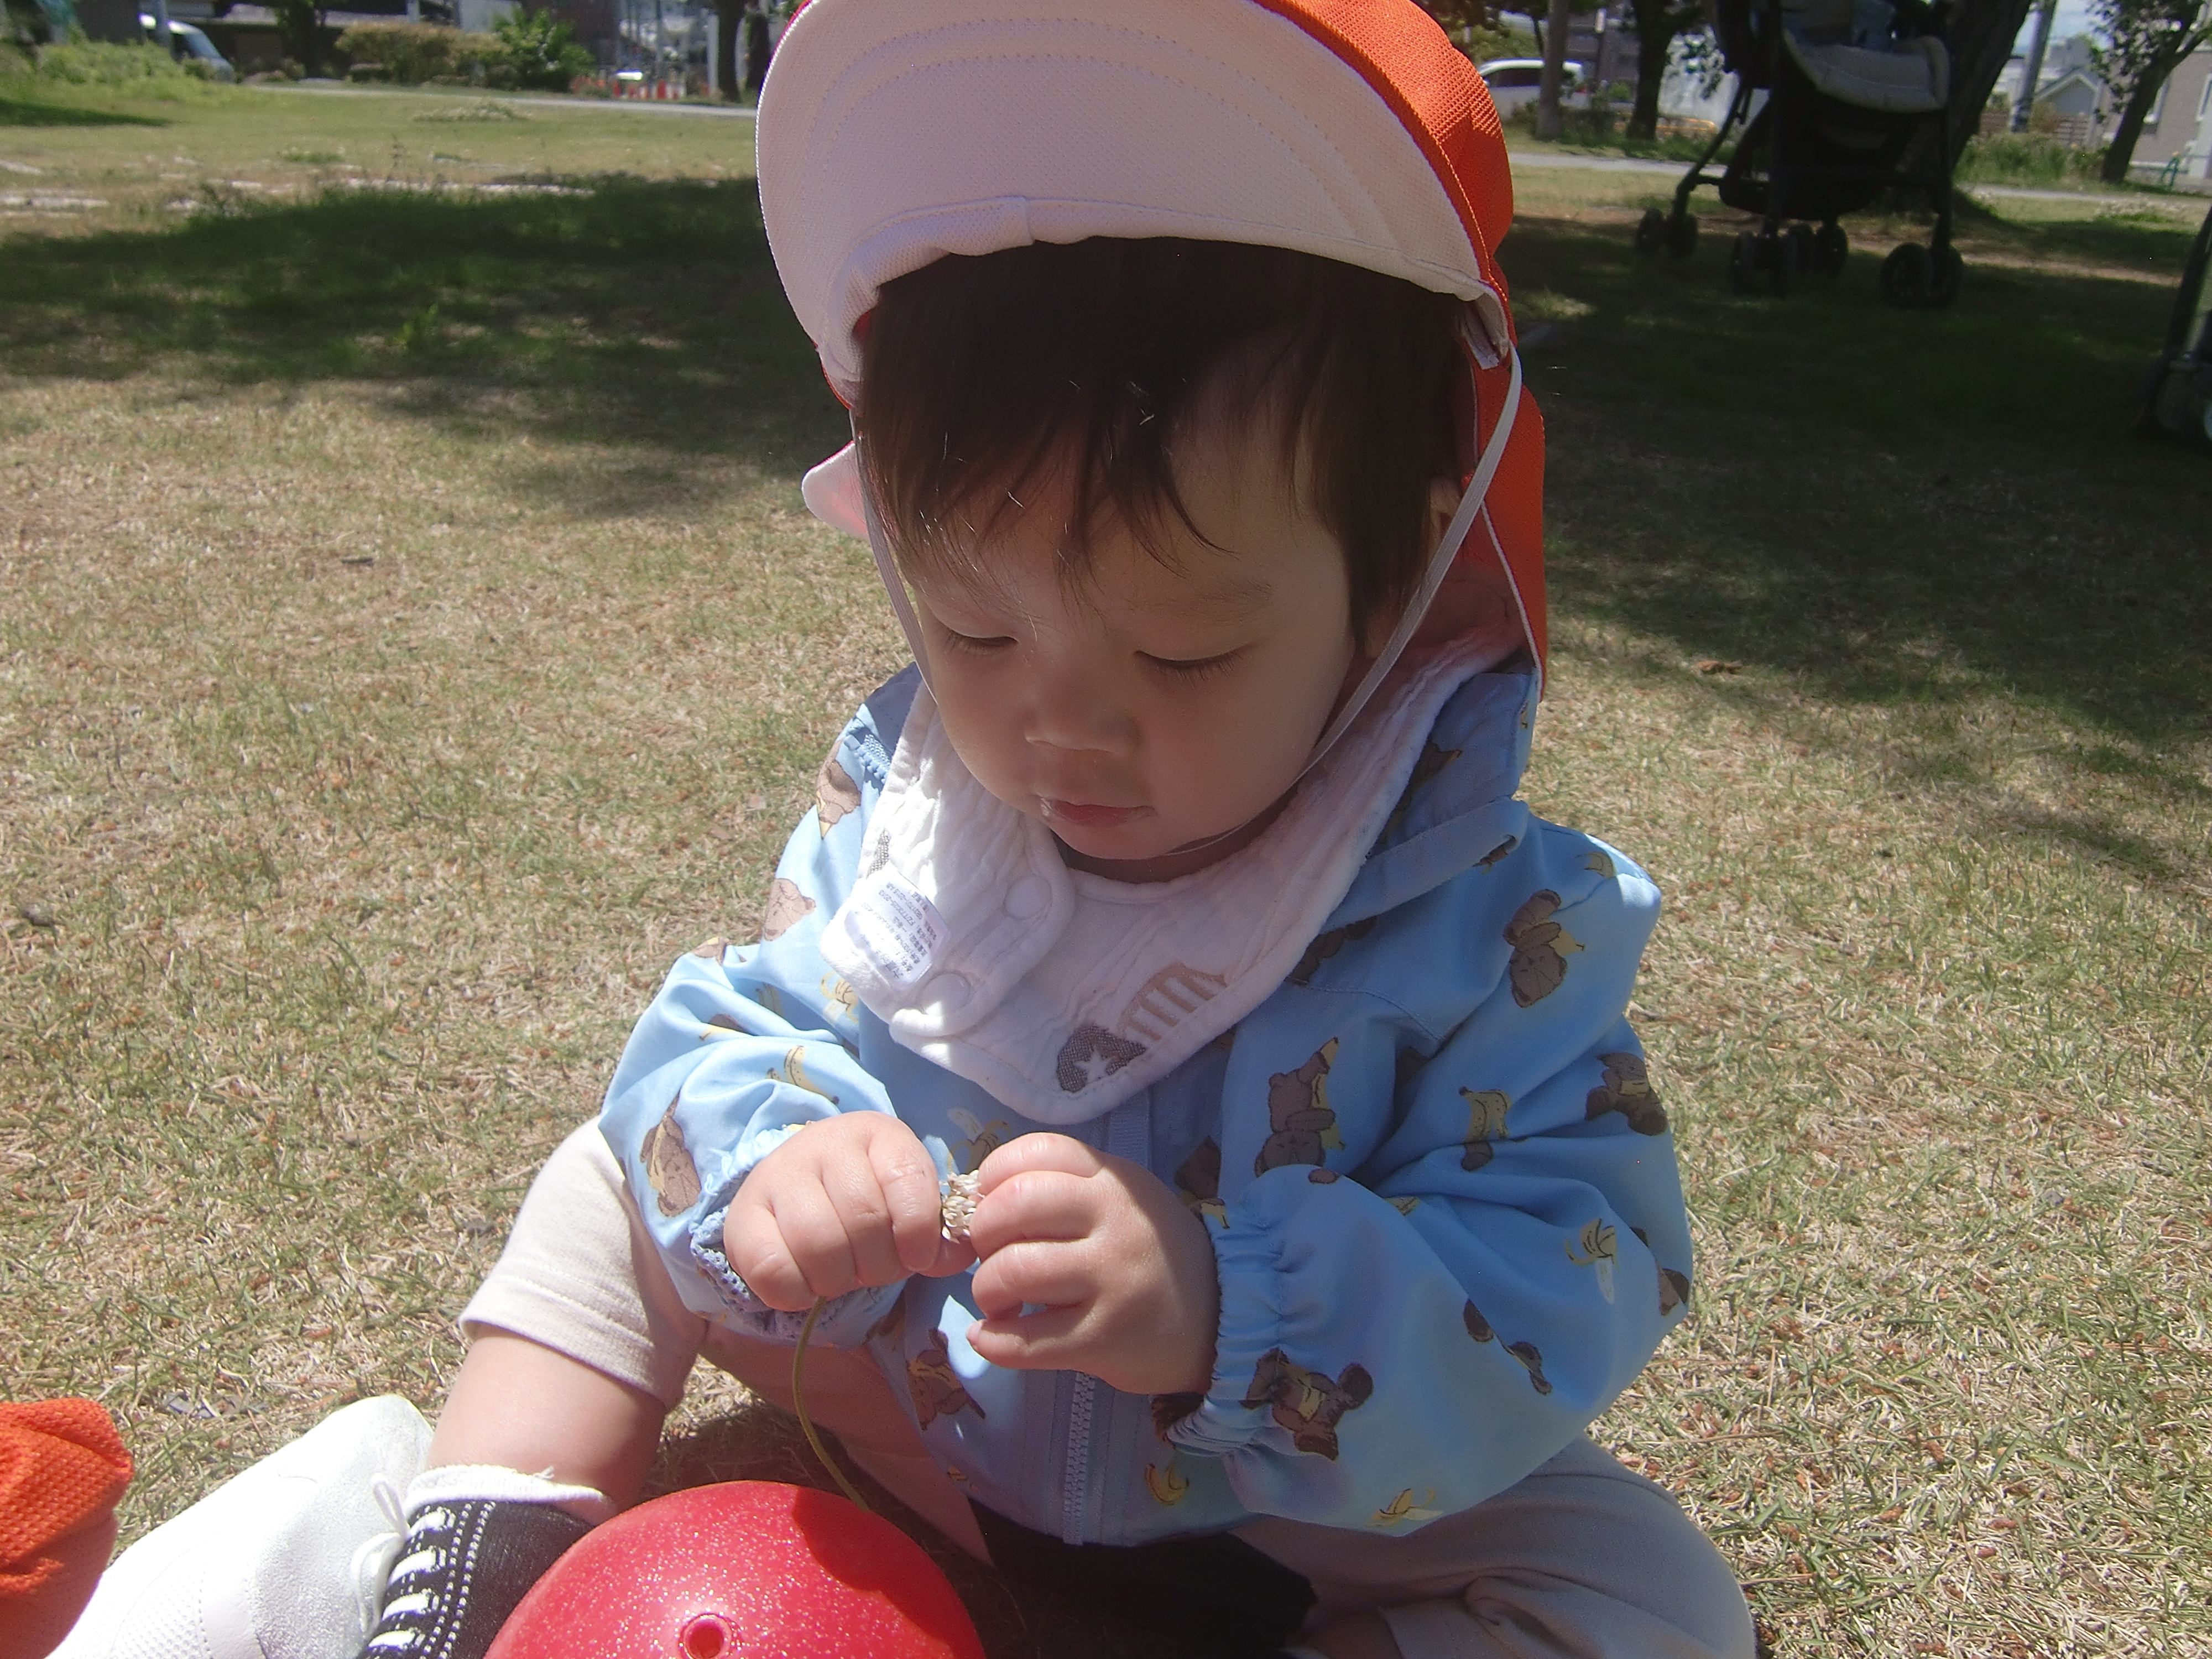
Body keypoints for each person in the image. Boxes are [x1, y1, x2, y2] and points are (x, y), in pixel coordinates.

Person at [347, 3, 1761, 1657]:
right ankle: (485, 1555)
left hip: (1271, 1491)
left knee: (1651, 1602)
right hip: (918, 1406)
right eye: (977, 629)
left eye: (1185, 653)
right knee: (616, 1177)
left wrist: (1230, 1303)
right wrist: (783, 1160)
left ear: (1397, 574)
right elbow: (745, 1024)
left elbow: (1571, 1256)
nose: (1062, 728)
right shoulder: (918, 806)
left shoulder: (1487, 920)